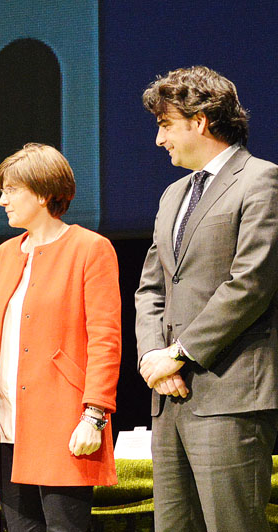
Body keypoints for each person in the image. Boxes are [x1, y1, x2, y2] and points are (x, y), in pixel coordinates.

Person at [135, 66, 278, 532]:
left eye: (165, 125)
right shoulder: (173, 194)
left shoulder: (261, 181)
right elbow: (152, 287)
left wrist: (180, 354)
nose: (159, 140)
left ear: (199, 121)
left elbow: (251, 282)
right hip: (169, 397)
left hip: (229, 395)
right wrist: (153, 357)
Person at [0, 143, 121, 531]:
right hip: (6, 424)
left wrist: (95, 414)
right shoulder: (0, 257)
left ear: (43, 192)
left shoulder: (90, 249)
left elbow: (105, 339)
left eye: (11, 190)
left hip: (64, 420)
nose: (2, 201)